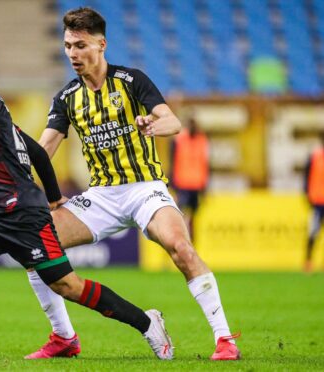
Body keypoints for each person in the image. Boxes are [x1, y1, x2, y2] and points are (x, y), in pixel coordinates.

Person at [0, 45, 174, 361]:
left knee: (69, 286)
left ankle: (147, 323)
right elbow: (37, 152)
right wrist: (53, 196)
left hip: (24, 217)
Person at [24, 7, 240, 361]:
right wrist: (24, 182)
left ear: (101, 43)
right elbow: (44, 147)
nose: (73, 54)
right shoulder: (67, 97)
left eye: (80, 45)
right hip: (101, 196)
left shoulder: (131, 80)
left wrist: (153, 126)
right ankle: (64, 338)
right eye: (67, 46)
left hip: (145, 187)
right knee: (33, 246)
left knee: (180, 247)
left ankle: (224, 340)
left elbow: (172, 122)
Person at [170, 117, 209, 243]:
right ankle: (183, 238)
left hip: (197, 184)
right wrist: (172, 183)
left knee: (192, 215)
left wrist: (205, 186)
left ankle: (188, 239)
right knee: (184, 213)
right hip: (182, 183)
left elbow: (206, 163)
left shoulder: (202, 140)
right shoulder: (179, 139)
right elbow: (173, 160)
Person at [304, 132, 324, 273]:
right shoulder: (315, 156)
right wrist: (307, 195)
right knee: (313, 231)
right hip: (317, 201)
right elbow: (306, 177)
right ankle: (308, 261)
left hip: (317, 200)